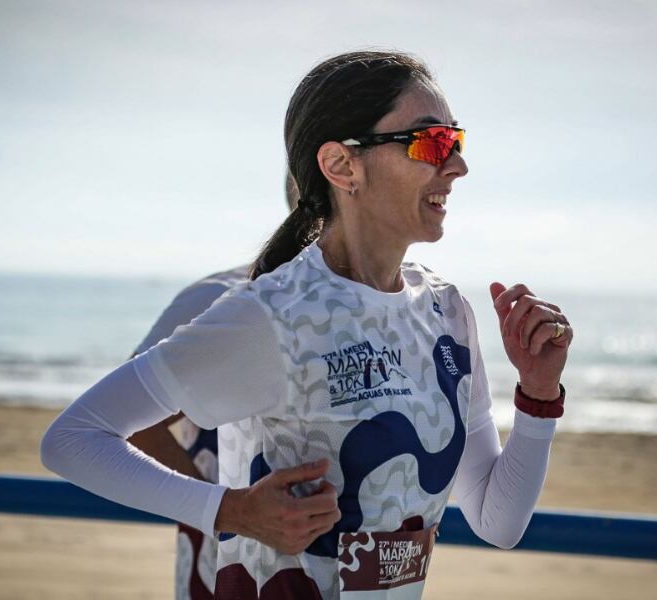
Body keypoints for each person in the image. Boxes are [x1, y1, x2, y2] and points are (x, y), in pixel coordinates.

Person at [41, 50, 573, 599]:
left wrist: (537, 393)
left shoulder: (448, 312)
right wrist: (229, 510)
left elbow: (498, 522)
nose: (457, 165)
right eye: (430, 142)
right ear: (343, 166)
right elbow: (73, 439)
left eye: (455, 141)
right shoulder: (270, 315)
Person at [126, 174, 300, 600]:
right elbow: (131, 425)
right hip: (224, 570)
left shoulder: (382, 305)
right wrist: (228, 512)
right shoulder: (221, 297)